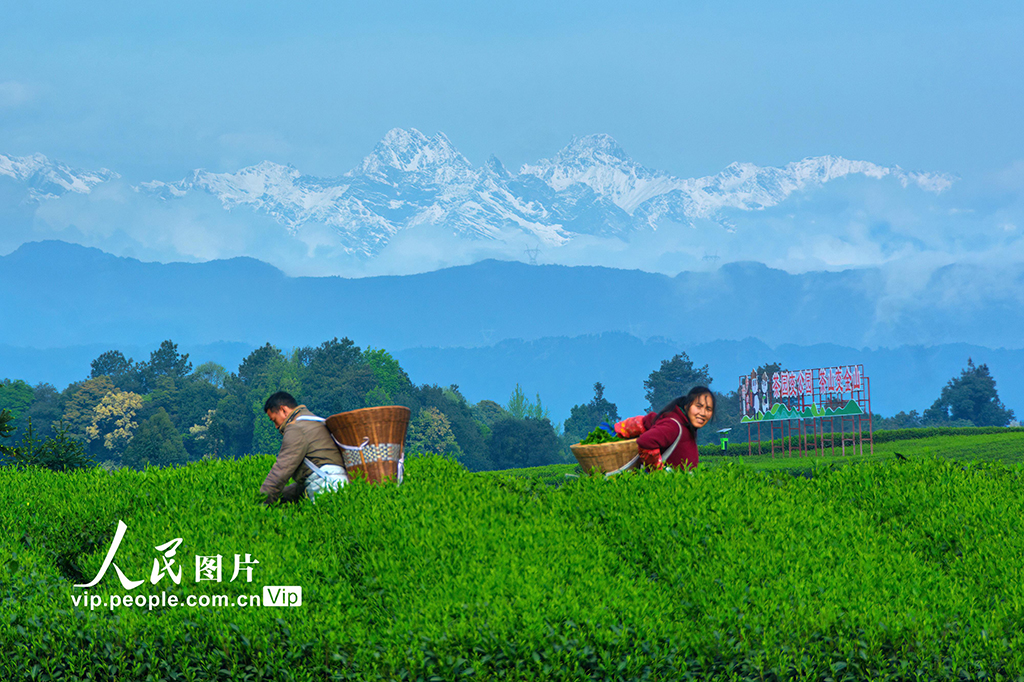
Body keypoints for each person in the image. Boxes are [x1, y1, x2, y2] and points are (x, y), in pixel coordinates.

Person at [260, 391, 349, 505]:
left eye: (274, 420)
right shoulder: (316, 422)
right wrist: (283, 497)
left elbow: (282, 469)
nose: (276, 426)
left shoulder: (296, 428)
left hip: (325, 489)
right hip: (342, 484)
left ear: (283, 410)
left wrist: (260, 501)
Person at [613, 386, 715, 471]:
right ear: (687, 405)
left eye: (708, 409)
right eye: (698, 406)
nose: (703, 413)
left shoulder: (686, 427)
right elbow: (646, 441)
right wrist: (658, 471)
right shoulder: (674, 426)